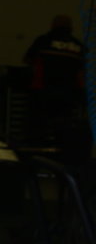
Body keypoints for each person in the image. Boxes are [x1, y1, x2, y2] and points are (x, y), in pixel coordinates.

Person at [22, 14, 90, 160]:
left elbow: (28, 60)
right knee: (64, 132)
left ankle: (34, 161)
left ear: (53, 26)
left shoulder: (43, 41)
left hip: (42, 94)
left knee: (36, 130)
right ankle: (61, 162)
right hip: (67, 97)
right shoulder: (79, 47)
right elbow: (82, 75)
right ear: (70, 28)